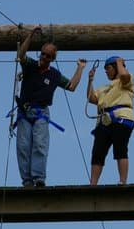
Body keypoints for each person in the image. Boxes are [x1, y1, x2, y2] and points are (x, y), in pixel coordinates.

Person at [15, 25, 86, 187]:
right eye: (43, 54)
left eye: (48, 56)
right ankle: (27, 180)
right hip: (24, 110)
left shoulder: (54, 75)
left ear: (52, 59)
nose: (44, 57)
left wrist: (80, 68)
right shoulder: (30, 66)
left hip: (41, 112)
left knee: (40, 144)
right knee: (23, 146)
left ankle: (38, 178)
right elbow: (21, 55)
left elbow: (72, 86)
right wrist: (31, 35)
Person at [87, 56, 134, 186]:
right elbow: (91, 98)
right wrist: (90, 81)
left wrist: (120, 63)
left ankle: (122, 181)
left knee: (120, 148)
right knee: (98, 152)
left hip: (121, 118)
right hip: (104, 121)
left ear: (116, 67)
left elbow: (124, 76)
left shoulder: (125, 80)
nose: (106, 71)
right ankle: (93, 183)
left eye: (108, 68)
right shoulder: (104, 88)